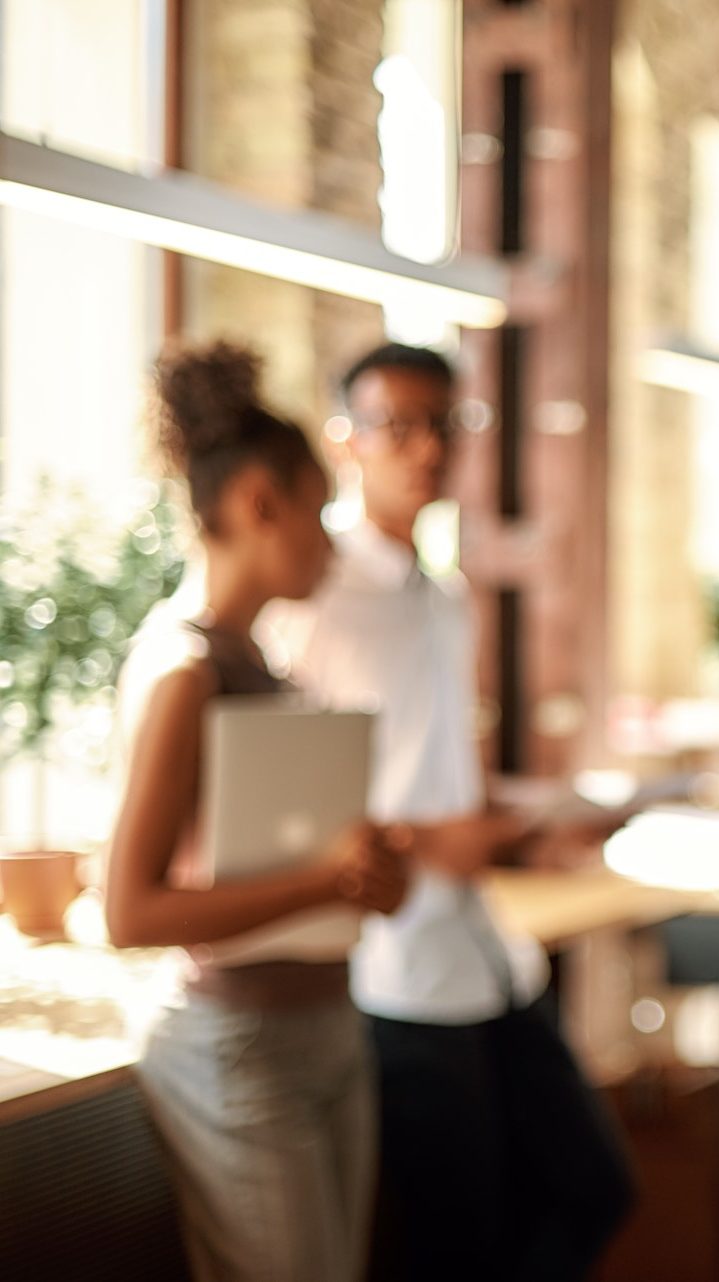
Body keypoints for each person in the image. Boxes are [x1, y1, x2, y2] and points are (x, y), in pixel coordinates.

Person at [261, 342, 636, 1281]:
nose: (425, 447)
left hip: (484, 954)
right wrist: (442, 842)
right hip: (395, 972)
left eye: (444, 425)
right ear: (346, 441)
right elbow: (292, 812)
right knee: (454, 1242)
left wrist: (540, 818)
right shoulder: (311, 602)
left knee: (593, 1189)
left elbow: (440, 780)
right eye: (399, 426)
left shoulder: (446, 597)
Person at [108, 341, 409, 1282]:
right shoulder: (185, 672)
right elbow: (132, 912)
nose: (329, 539)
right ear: (258, 505)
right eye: (319, 512)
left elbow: (285, 872)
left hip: (324, 1025)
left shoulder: (265, 669)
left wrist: (366, 875)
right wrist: (325, 879)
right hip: (241, 1047)